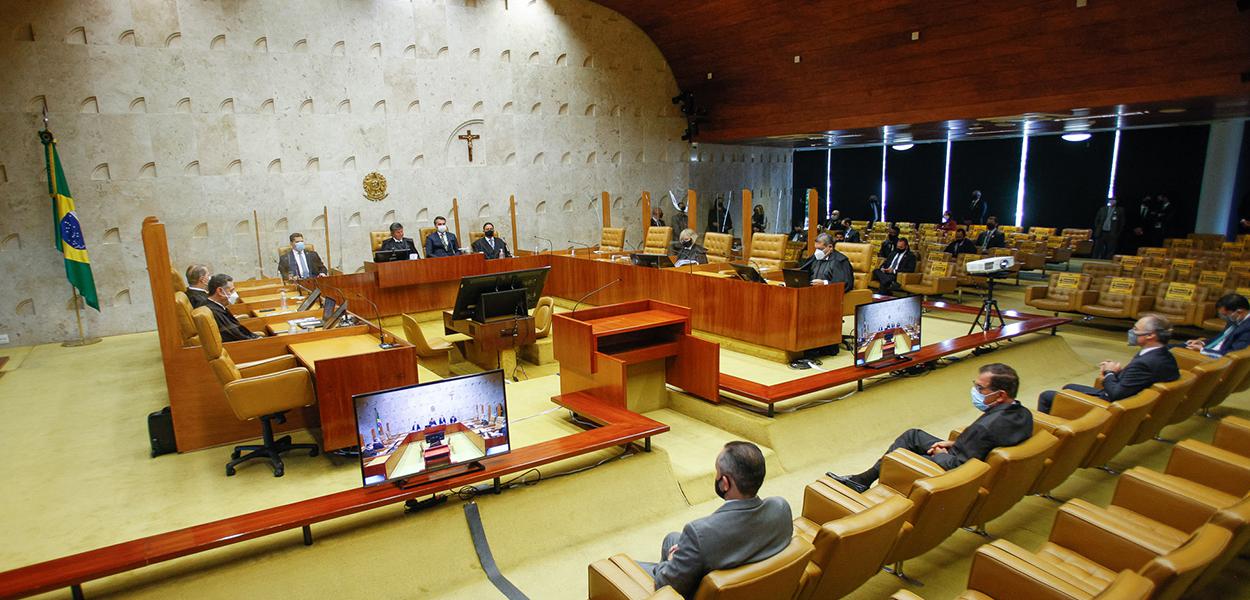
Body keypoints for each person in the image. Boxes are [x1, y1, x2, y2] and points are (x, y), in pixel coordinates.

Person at [827, 363, 1032, 493]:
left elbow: (960, 466)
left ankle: (871, 485)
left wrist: (940, 454)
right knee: (912, 436)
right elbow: (984, 444)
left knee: (897, 458)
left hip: (952, 469)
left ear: (1001, 395)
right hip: (967, 450)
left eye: (981, 388)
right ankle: (863, 479)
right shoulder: (1023, 414)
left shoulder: (986, 427)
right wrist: (954, 442)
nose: (975, 391)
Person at [640, 441, 792, 598]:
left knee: (624, 570)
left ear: (725, 483)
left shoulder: (699, 534)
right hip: (757, 584)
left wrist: (670, 563)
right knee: (671, 539)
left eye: (717, 473)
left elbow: (665, 585)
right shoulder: (781, 508)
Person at [1036, 315, 1180, 413]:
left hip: (1110, 407)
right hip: (1129, 397)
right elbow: (1139, 380)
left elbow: (1116, 395)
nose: (1132, 332)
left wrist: (1109, 373)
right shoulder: (1164, 354)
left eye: (1136, 329)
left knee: (1046, 396)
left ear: (1150, 335)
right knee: (1068, 387)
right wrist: (1119, 372)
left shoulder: (1144, 362)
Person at [1185, 294, 1250, 357]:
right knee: (1180, 346)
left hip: (1214, 358)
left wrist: (1203, 350)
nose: (1224, 318)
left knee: (1175, 352)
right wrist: (1202, 343)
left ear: (1239, 312)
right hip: (1209, 349)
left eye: (1225, 315)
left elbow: (1234, 354)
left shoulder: (1247, 328)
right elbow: (1220, 339)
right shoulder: (1235, 320)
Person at [204, 274, 260, 342]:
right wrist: (256, 339)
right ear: (220, 291)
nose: (234, 294)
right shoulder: (215, 312)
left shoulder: (216, 306)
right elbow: (235, 336)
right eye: (231, 290)